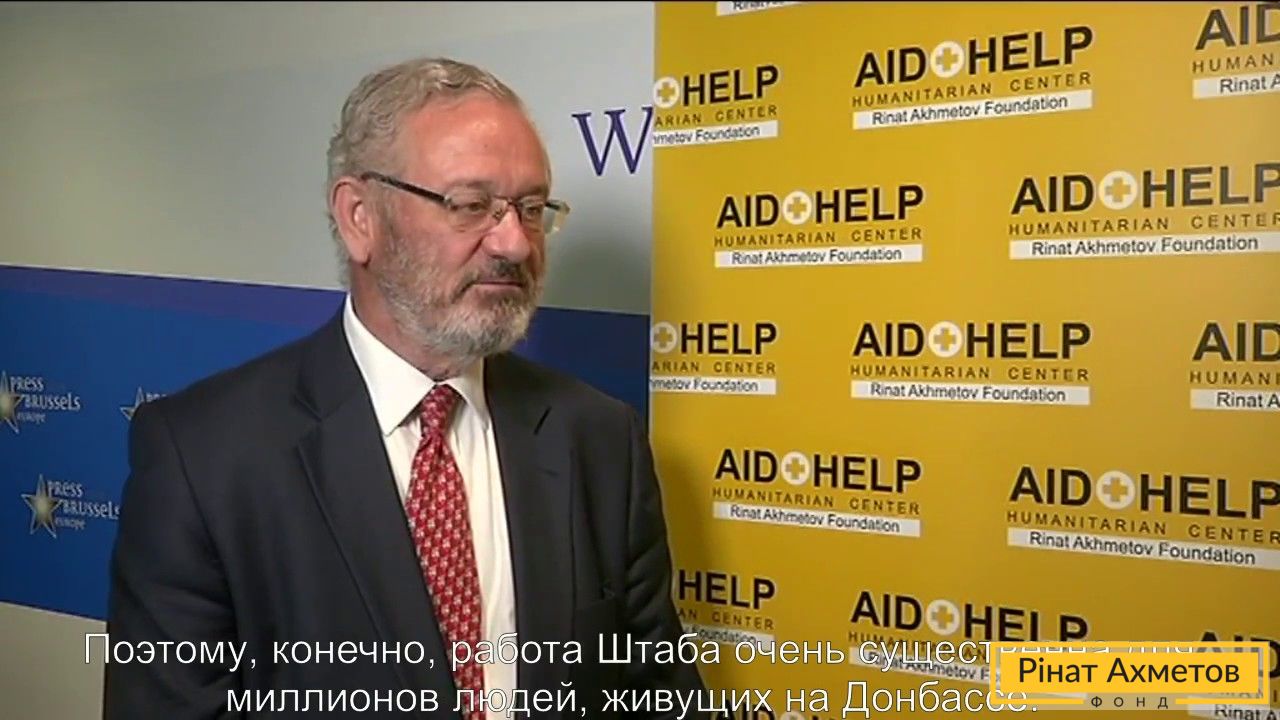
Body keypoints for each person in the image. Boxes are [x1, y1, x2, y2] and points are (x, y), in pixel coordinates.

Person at [103, 56, 705, 719]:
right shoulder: (202, 457)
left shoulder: (600, 439)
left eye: (531, 209)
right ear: (359, 217)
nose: (513, 243)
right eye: (470, 205)